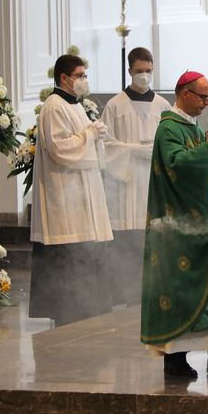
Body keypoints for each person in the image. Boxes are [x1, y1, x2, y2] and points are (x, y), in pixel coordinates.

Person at [140, 70, 208, 379]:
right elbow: (177, 165)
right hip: (180, 230)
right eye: (203, 97)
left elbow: (203, 160)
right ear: (184, 94)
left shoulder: (190, 125)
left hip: (206, 225)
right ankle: (175, 360)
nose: (207, 102)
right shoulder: (168, 129)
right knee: (184, 290)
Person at [29, 53, 114, 325]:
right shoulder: (54, 106)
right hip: (65, 197)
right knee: (70, 257)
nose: (84, 80)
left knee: (87, 255)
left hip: (83, 191)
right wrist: (90, 135)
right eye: (80, 75)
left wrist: (95, 134)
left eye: (85, 75)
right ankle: (69, 311)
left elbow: (83, 144)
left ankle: (87, 310)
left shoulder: (74, 105)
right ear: (64, 78)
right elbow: (59, 148)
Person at [100, 47, 169, 305]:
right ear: (129, 71)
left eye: (148, 71)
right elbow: (105, 145)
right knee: (128, 244)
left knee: (152, 240)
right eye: (139, 71)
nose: (144, 75)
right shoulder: (116, 105)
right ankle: (127, 296)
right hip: (126, 184)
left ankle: (153, 295)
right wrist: (134, 151)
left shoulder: (163, 105)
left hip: (153, 181)